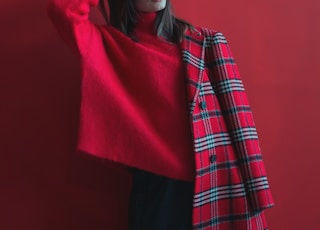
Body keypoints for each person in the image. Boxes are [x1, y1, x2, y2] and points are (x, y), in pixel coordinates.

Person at [47, 0, 275, 229]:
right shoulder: (107, 44)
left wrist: (257, 196)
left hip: (216, 184)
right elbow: (63, 10)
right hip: (156, 193)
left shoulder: (204, 41)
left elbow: (242, 126)